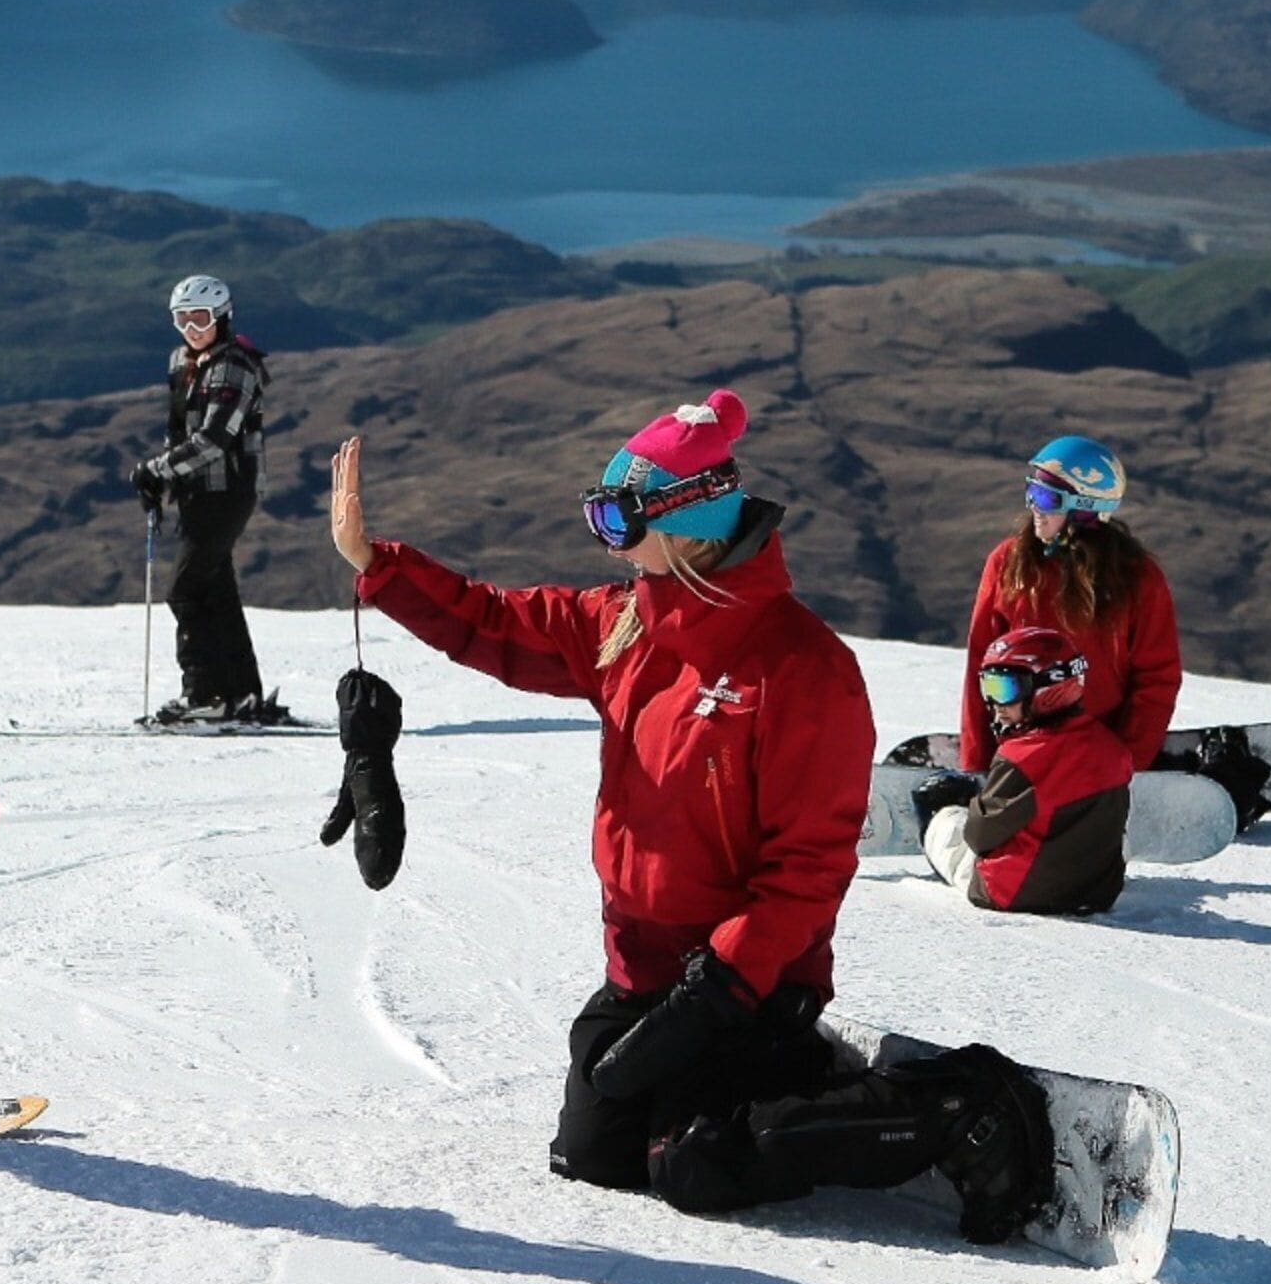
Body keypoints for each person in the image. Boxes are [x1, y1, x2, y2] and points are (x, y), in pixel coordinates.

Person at [328, 391, 1053, 1240]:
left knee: (698, 1165)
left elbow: (811, 867)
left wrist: (721, 988)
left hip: (743, 982)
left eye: (618, 519)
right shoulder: (627, 623)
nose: (609, 541)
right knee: (595, 1156)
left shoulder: (801, 667)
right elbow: (501, 626)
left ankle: (959, 1106)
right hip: (643, 963)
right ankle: (771, 1084)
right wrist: (379, 565)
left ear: (688, 518)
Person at [953, 435, 1183, 781]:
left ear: (1084, 507)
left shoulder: (1136, 577)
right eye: (1031, 491)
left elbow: (1156, 679)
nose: (1034, 506)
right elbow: (979, 669)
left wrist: (1125, 767)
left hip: (1098, 750)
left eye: (1047, 497)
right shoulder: (1009, 563)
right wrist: (978, 768)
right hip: (1017, 747)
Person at [132, 274, 281, 724]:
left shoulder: (233, 365)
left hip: (227, 489)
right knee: (215, 588)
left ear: (221, 316)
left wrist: (157, 469)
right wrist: (165, 482)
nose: (192, 328)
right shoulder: (183, 361)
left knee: (187, 591)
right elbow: (180, 429)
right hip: (198, 491)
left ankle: (207, 696)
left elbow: (216, 437)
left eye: (200, 318)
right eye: (182, 319)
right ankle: (242, 695)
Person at [918, 625, 1133, 917]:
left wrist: (968, 807)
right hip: (1096, 895)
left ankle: (934, 823)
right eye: (988, 687)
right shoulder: (1114, 750)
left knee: (949, 824)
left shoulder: (1022, 758)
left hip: (1013, 894)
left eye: (1006, 689)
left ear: (1048, 690)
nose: (995, 705)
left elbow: (979, 836)